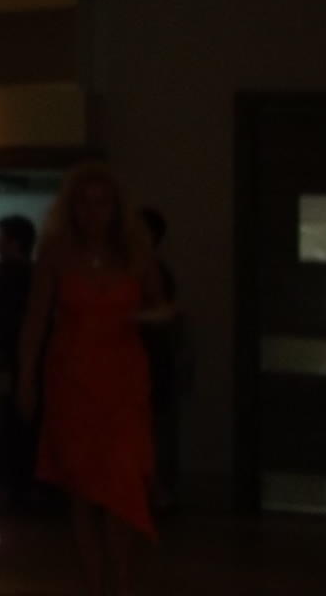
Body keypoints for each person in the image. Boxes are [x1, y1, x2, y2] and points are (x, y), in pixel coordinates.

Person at [18, 163, 169, 596]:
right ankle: (92, 582)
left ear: (117, 208)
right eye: (84, 203)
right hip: (71, 380)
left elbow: (163, 306)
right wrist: (26, 380)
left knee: (122, 481)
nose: (93, 212)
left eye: (102, 203)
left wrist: (148, 317)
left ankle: (119, 581)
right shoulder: (56, 252)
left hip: (123, 382)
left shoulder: (136, 252)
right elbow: (36, 320)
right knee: (81, 486)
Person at [0, 215, 36, 510]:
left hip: (0, 356)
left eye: (1, 238)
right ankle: (25, 486)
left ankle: (1, 486)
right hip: (29, 356)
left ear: (13, 241)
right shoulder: (38, 275)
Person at [135, 207, 185, 510]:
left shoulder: (149, 270)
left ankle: (156, 490)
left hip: (150, 357)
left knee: (153, 427)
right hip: (146, 357)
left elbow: (163, 315)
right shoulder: (144, 268)